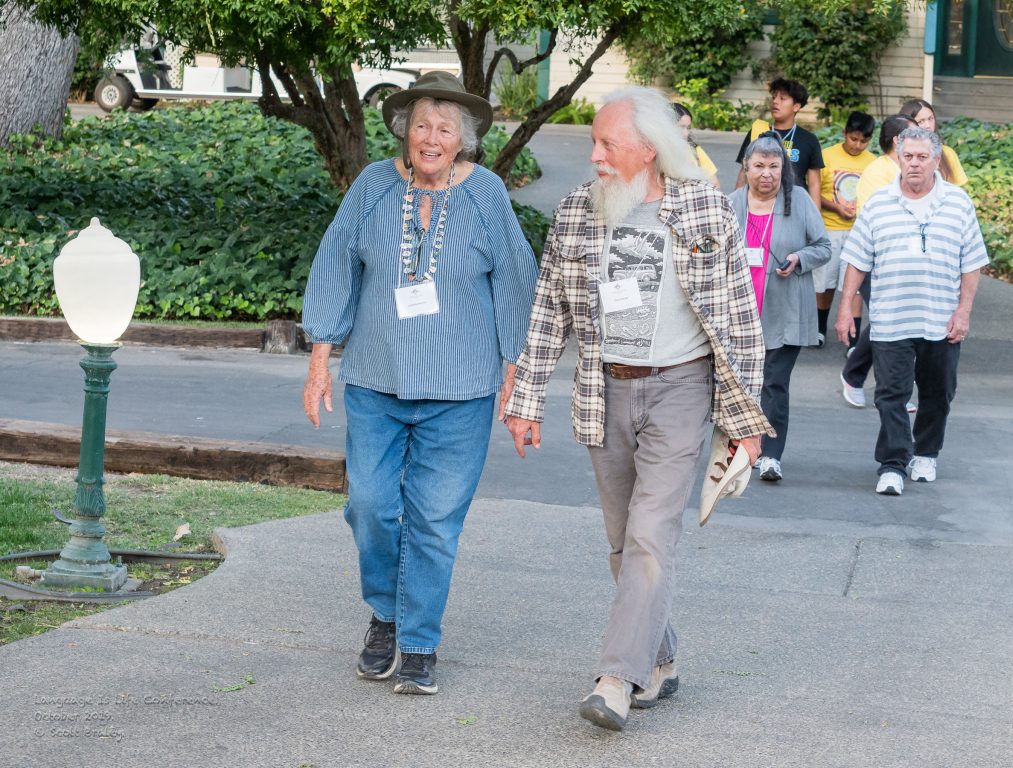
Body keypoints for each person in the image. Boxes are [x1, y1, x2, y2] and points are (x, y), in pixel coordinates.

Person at [503, 87, 772, 732]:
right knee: (625, 543)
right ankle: (661, 659)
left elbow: (739, 321)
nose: (593, 155)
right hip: (605, 390)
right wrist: (526, 398)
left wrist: (745, 421)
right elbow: (549, 310)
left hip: (681, 389)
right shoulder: (576, 211)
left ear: (649, 150)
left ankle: (615, 679)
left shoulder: (705, 207)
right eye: (593, 142)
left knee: (652, 535)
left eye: (607, 145)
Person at [301, 71, 538, 695]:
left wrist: (518, 376)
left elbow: (514, 282)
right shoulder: (374, 187)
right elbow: (335, 266)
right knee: (371, 507)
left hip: (461, 390)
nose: (431, 138)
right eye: (422, 126)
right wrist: (320, 358)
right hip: (377, 382)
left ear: (465, 139)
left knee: (435, 519)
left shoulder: (486, 193)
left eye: (445, 128)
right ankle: (385, 610)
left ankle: (417, 641)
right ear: (405, 133)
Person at [836, 127, 987, 496]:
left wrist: (963, 312)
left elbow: (972, 263)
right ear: (898, 158)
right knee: (890, 394)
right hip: (891, 318)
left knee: (938, 391)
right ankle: (892, 464)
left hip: (941, 317)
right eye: (908, 157)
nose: (915, 164)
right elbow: (857, 260)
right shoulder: (879, 202)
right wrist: (844, 309)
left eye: (922, 157)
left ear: (937, 160)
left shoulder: (958, 202)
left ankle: (927, 453)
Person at [729, 135, 830, 483]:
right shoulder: (731, 205)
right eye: (759, 166)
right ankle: (739, 448)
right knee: (740, 385)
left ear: (783, 169)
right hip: (739, 316)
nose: (766, 174)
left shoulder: (798, 200)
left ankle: (771, 455)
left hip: (785, 311)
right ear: (746, 167)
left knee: (774, 383)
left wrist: (799, 259)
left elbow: (823, 247)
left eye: (774, 167)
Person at [840, 115, 916, 410]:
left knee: (897, 322)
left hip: (906, 262)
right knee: (888, 321)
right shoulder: (878, 172)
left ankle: (880, 384)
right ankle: (861, 378)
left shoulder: (908, 168)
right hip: (876, 261)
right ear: (898, 141)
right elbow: (880, 220)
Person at [813, 111, 876, 347]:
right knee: (826, 282)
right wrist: (836, 207)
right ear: (844, 133)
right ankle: (820, 328)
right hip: (829, 228)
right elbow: (815, 193)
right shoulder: (826, 157)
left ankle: (853, 336)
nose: (858, 145)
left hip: (859, 232)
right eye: (853, 139)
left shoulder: (872, 163)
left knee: (855, 286)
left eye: (863, 141)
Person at [734, 77, 824, 209]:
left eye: (782, 98)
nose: (775, 102)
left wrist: (815, 219)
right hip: (757, 207)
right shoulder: (758, 131)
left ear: (796, 106)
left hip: (793, 208)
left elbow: (814, 184)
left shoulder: (809, 140)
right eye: (774, 97)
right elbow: (744, 172)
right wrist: (736, 208)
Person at [898, 99, 969, 187]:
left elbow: (959, 190)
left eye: (930, 119)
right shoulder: (898, 155)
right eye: (921, 121)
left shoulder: (947, 153)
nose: (928, 125)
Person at [671, 103, 720, 187]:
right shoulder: (654, 152)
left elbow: (715, 183)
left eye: (688, 128)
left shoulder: (695, 150)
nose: (686, 133)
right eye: (681, 127)